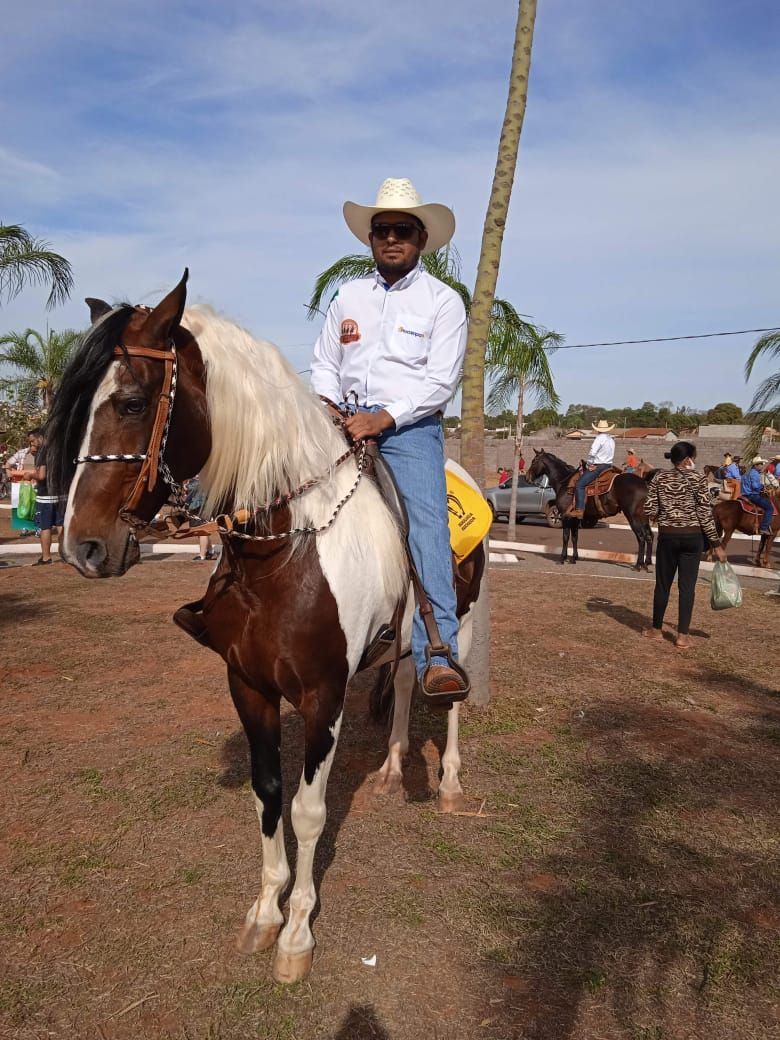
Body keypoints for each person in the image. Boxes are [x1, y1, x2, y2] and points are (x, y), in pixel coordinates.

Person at [311, 176, 468, 702]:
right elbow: (325, 363)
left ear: (421, 239)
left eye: (402, 230)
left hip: (408, 432)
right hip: (340, 422)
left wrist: (384, 418)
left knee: (425, 526)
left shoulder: (443, 302)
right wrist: (332, 408)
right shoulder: (347, 297)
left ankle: (438, 652)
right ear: (371, 239)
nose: (391, 238)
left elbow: (441, 380)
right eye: (382, 230)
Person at [643, 442, 726, 649]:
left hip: (668, 537)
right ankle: (682, 636)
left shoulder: (659, 477)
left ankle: (656, 630)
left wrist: (664, 512)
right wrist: (716, 544)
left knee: (662, 585)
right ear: (689, 458)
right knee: (687, 588)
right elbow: (705, 515)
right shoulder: (698, 478)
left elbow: (650, 509)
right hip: (692, 538)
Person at [567, 419, 616, 518]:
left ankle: (579, 510)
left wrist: (589, 464)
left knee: (580, 484)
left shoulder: (599, 439)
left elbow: (592, 453)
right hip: (609, 466)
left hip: (599, 467)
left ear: (598, 429)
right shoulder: (611, 439)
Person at [31, 430, 64, 565]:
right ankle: (65, 555)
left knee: (45, 527)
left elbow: (42, 476)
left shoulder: (42, 452)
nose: (31, 444)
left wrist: (29, 475)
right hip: (60, 493)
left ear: (39, 438)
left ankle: (46, 557)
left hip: (45, 495)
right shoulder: (58, 450)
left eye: (32, 441)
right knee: (61, 524)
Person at [740, 457, 775, 538]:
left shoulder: (746, 473)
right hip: (753, 495)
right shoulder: (755, 474)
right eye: (761, 464)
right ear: (756, 465)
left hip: (744, 495)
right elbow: (755, 486)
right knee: (769, 508)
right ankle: (764, 528)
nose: (762, 466)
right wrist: (762, 487)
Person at [184, 475, 217, 561]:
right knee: (202, 530)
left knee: (201, 531)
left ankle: (202, 555)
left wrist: (186, 486)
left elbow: (193, 489)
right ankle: (210, 551)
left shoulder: (199, 479)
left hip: (199, 506)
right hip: (200, 505)